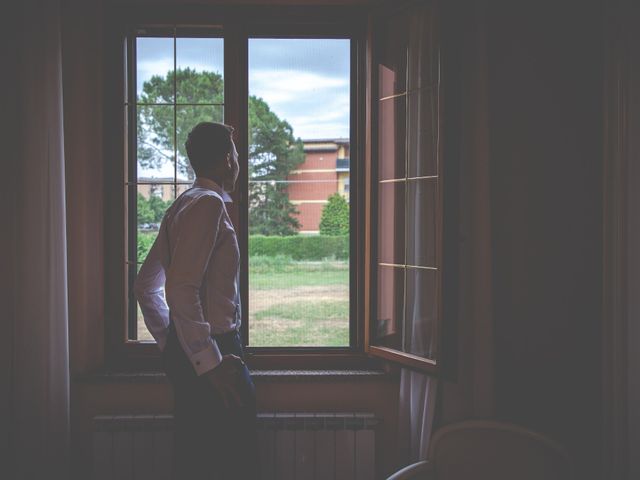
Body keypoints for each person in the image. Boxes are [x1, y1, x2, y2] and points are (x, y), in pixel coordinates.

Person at [135, 122, 257, 479]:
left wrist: (174, 342)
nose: (238, 161)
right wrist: (208, 360)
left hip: (193, 351)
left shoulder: (181, 206)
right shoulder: (208, 204)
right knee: (229, 460)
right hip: (214, 350)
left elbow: (145, 287)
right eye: (235, 154)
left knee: (198, 458)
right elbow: (181, 289)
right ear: (225, 161)